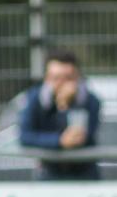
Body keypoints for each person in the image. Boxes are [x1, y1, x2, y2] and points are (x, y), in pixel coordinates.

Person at [19, 49, 101, 180]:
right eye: (56, 78)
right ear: (47, 79)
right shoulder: (35, 99)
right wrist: (59, 140)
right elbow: (25, 136)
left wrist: (68, 105)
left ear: (78, 78)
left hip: (84, 175)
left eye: (68, 78)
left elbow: (81, 137)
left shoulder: (90, 101)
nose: (62, 84)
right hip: (48, 174)